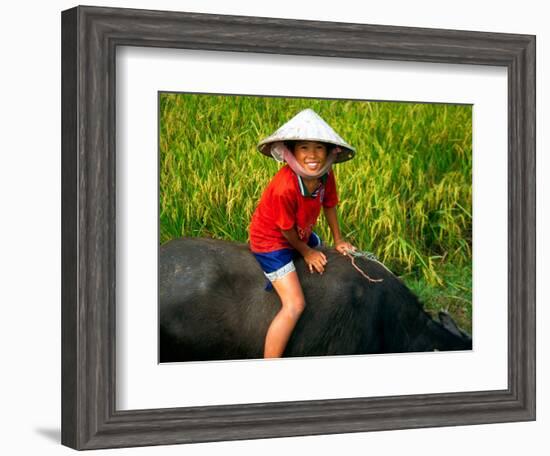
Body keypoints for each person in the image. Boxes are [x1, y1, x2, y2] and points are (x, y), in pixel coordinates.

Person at [249, 108, 356, 358]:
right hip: (272, 241)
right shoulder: (284, 187)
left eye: (319, 148)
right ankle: (269, 365)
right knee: (294, 304)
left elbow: (329, 205)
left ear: (330, 152)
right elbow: (285, 230)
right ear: (292, 151)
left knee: (324, 247)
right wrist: (307, 252)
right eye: (304, 148)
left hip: (301, 231)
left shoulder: (325, 176)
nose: (312, 155)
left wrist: (339, 240)